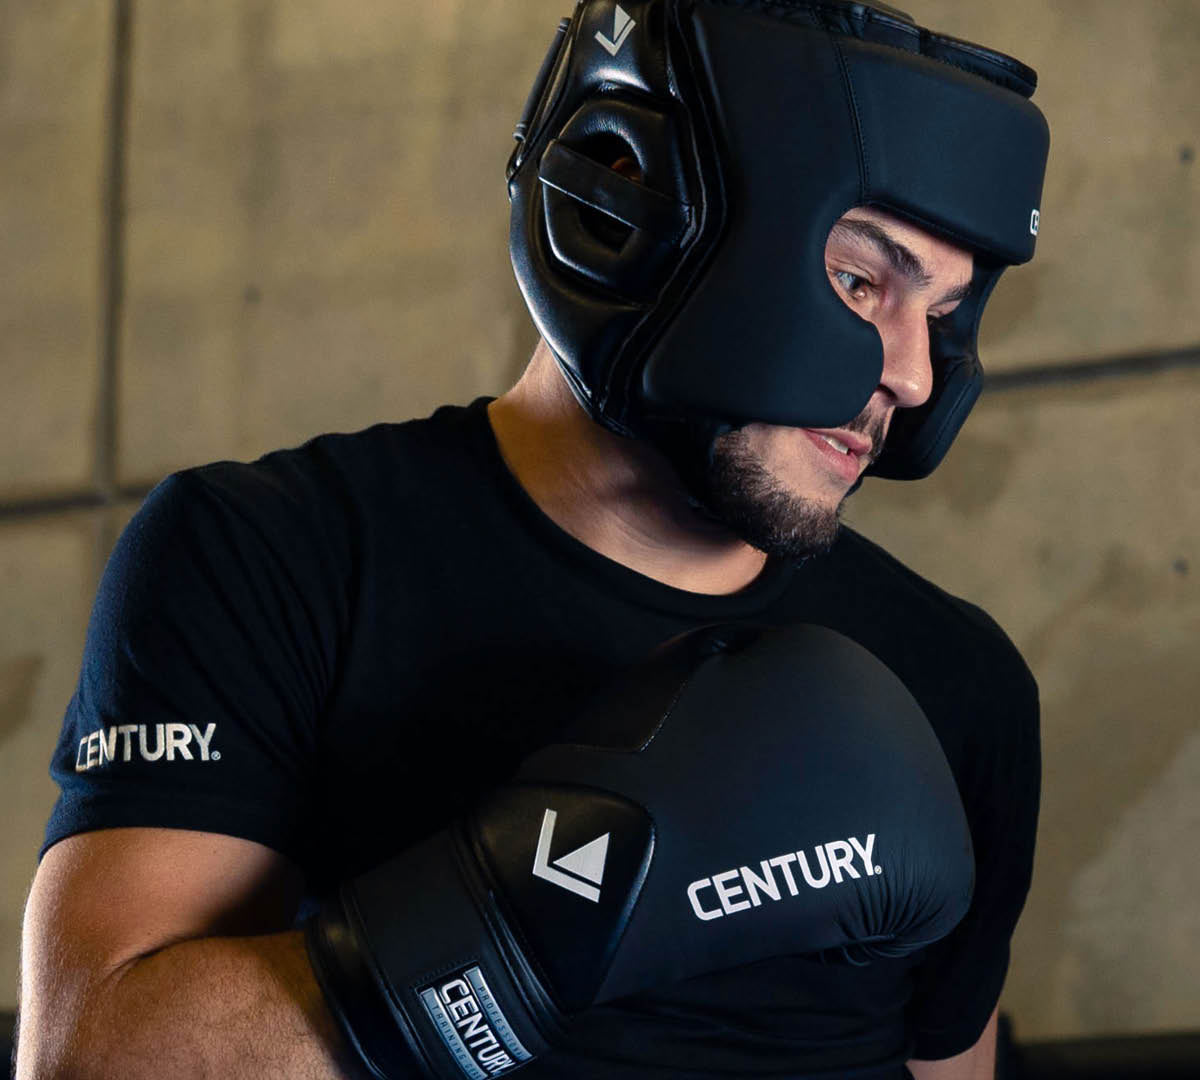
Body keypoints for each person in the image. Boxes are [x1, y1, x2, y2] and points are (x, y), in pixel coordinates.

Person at [16, 1, 1049, 1078]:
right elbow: (91, 1055)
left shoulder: (956, 679)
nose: (911, 374)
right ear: (637, 226)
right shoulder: (271, 556)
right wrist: (514, 937)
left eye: (939, 314)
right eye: (858, 281)